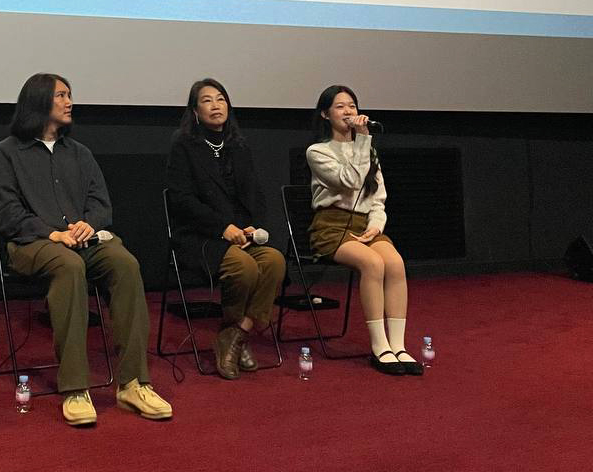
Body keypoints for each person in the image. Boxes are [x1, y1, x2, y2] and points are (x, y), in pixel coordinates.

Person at [0, 72, 172, 426]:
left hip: (82, 241)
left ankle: (134, 383)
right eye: (61, 95)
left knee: (124, 263)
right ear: (39, 101)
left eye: (69, 94)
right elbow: (5, 214)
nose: (69, 102)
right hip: (30, 244)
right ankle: (74, 387)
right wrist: (50, 234)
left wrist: (89, 223)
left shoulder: (79, 153)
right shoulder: (6, 153)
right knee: (69, 266)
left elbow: (101, 205)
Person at [166, 78, 287, 380]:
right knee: (244, 268)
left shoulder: (238, 145)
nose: (216, 105)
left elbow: (256, 194)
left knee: (274, 261)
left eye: (221, 99)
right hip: (202, 237)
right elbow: (181, 200)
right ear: (195, 111)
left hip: (242, 235)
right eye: (207, 100)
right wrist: (223, 228)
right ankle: (236, 338)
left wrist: (253, 226)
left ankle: (235, 334)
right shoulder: (184, 146)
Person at [306, 85, 422, 376]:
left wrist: (375, 227)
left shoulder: (368, 150)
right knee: (372, 263)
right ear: (325, 114)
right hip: (332, 227)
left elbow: (378, 197)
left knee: (394, 263)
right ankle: (380, 346)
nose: (348, 112)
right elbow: (350, 181)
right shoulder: (318, 151)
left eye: (352, 106)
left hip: (364, 225)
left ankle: (398, 345)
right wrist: (363, 141)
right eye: (340, 107)